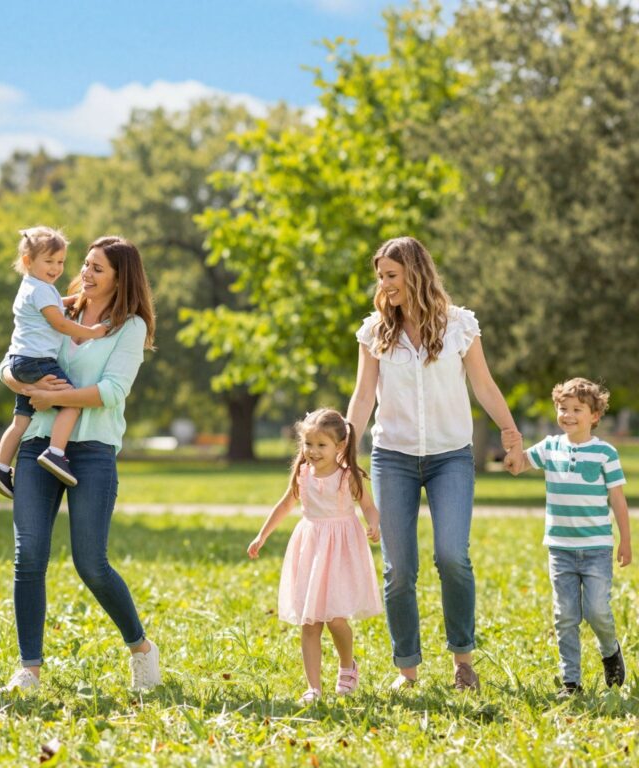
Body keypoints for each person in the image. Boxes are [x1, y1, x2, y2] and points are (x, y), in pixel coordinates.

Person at [345, 235, 523, 692]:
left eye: (391, 276)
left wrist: (509, 432)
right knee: (399, 568)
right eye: (381, 277)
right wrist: (347, 450)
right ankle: (408, 669)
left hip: (451, 459)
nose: (384, 285)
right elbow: (364, 396)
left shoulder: (460, 325)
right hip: (393, 458)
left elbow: (483, 385)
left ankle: (463, 661)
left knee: (452, 556)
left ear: (415, 273)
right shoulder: (375, 332)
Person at [0, 236, 161, 692]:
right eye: (86, 265)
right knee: (28, 556)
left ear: (120, 277)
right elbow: (11, 361)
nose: (85, 274)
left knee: (90, 563)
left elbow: (112, 391)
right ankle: (28, 668)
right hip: (36, 444)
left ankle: (141, 648)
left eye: (97, 269)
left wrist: (53, 396)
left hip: (91, 450)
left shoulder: (128, 327)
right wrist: (16, 379)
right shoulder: (58, 306)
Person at [247, 408, 382, 704]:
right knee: (310, 622)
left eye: (322, 445)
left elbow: (369, 506)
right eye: (309, 444)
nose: (313, 451)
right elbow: (284, 505)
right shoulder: (303, 474)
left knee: (335, 619)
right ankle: (314, 687)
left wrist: (374, 523)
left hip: (340, 550)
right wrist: (262, 535)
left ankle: (347, 665)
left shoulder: (348, 476)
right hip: (310, 547)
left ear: (340, 446)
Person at [509, 378, 629, 698]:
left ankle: (609, 651)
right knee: (565, 616)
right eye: (563, 408)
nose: (569, 415)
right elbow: (519, 464)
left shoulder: (605, 453)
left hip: (597, 549)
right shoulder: (550, 447)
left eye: (577, 409)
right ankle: (571, 682)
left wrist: (626, 541)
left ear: (594, 416)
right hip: (560, 549)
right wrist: (513, 449)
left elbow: (618, 500)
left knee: (597, 611)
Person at [0, 227, 108, 498]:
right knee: (72, 403)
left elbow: (53, 305)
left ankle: (1, 466)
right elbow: (60, 322)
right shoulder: (40, 290)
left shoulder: (35, 287)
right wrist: (93, 332)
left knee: (21, 420)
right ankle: (55, 453)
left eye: (61, 262)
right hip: (37, 361)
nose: (56, 268)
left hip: (21, 361)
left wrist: (75, 299)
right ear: (28, 262)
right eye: (49, 261)